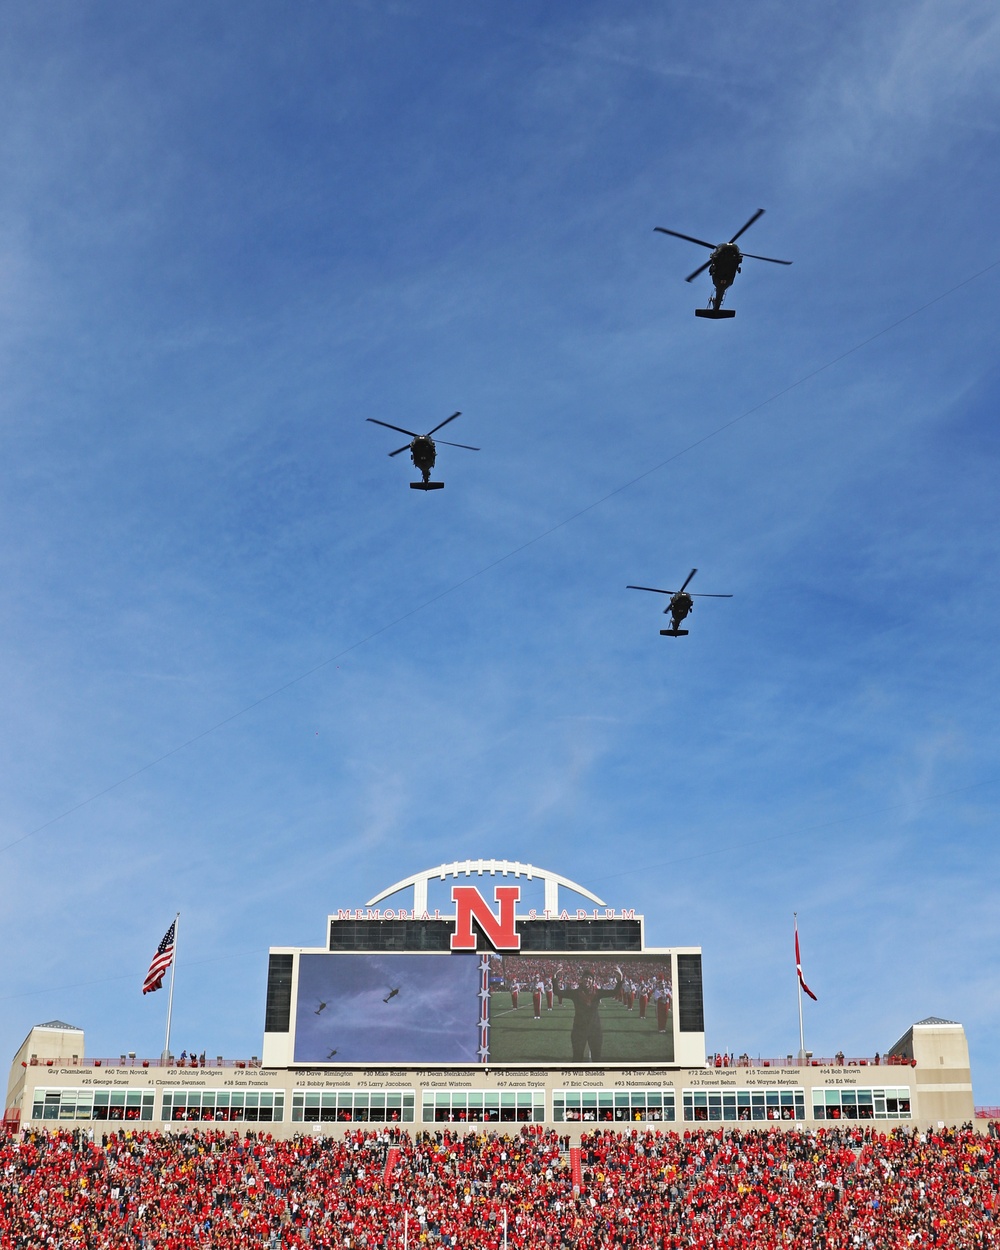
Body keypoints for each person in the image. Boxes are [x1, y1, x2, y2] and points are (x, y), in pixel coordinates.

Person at [553, 963, 623, 1062]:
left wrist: (620, 979)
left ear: (593, 981)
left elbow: (614, 992)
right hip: (579, 1030)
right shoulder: (575, 993)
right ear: (581, 980)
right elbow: (557, 992)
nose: (587, 980)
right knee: (577, 1058)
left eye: (590, 978)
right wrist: (554, 976)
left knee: (596, 1059)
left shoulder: (597, 993)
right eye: (585, 978)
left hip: (595, 1030)